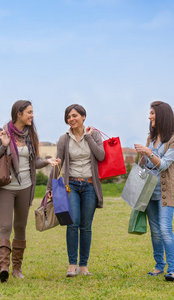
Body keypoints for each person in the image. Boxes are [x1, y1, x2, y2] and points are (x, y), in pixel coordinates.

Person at [0, 100, 60, 283]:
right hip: (5, 187)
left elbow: (33, 162)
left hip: (25, 188)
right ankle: (4, 267)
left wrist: (47, 161)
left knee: (20, 228)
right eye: (29, 112)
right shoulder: (0, 132)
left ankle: (17, 269)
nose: (32, 115)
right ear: (18, 113)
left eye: (32, 112)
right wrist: (4, 145)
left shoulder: (30, 135)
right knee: (5, 227)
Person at [47, 104, 105, 277]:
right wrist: (50, 187)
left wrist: (88, 138)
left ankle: (83, 265)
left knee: (86, 226)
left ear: (83, 116)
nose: (71, 119)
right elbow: (58, 164)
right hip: (70, 185)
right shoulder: (64, 139)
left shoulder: (94, 135)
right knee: (72, 223)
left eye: (74, 116)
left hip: (89, 186)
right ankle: (72, 265)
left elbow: (101, 156)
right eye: (68, 117)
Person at [134, 101, 174, 282]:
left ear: (162, 115)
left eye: (152, 113)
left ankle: (173, 269)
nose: (149, 117)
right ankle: (158, 266)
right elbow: (145, 165)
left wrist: (148, 152)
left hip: (166, 191)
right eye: (149, 113)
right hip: (149, 191)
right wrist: (142, 156)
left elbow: (163, 165)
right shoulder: (151, 138)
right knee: (155, 231)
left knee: (165, 229)